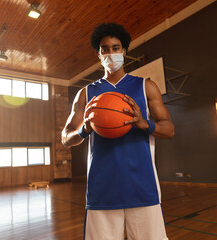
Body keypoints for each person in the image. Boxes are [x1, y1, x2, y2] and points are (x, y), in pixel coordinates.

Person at [62, 22, 174, 240]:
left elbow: (169, 129)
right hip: (101, 190)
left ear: (124, 51)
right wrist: (85, 130)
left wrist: (146, 124)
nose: (111, 53)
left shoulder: (146, 86)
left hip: (143, 187)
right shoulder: (86, 94)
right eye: (105, 49)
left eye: (116, 48)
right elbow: (65, 138)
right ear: (98, 53)